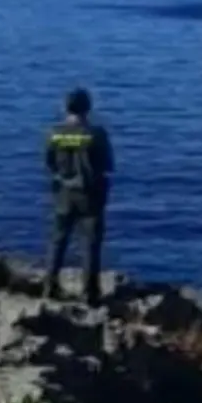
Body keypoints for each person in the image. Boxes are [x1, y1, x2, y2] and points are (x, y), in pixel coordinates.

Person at [43, 87, 114, 304]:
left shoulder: (54, 134)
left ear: (66, 107)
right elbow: (107, 164)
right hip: (90, 194)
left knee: (58, 240)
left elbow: (50, 163)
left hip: (64, 193)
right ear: (88, 108)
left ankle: (50, 287)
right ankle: (90, 293)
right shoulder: (96, 134)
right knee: (90, 244)